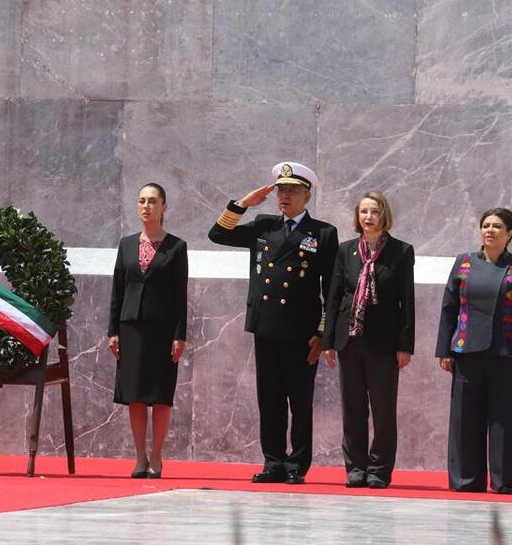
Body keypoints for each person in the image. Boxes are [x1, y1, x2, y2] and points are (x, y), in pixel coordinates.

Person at [208, 161, 339, 484]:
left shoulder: (322, 233)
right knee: (270, 399)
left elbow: (332, 290)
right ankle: (273, 462)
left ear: (306, 195)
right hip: (266, 326)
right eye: (281, 190)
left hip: (301, 331)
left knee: (300, 400)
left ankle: (297, 464)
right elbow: (218, 234)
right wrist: (243, 203)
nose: (284, 196)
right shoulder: (264, 225)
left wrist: (322, 333)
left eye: (292, 191)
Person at [435, 207, 512, 494]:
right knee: (464, 418)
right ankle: (466, 480)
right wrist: (443, 349)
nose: (490, 230)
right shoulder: (464, 263)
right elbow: (449, 309)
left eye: (497, 226)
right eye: (486, 225)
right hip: (466, 351)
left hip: (508, 354)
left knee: (506, 419)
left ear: (509, 234)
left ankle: (505, 480)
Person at [322, 191, 415, 489]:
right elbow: (334, 297)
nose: (368, 217)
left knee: (383, 410)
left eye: (374, 211)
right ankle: (356, 468)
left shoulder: (400, 251)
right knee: (353, 408)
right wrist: (327, 340)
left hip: (384, 344)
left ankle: (379, 469)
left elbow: (407, 302)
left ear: (384, 215)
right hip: (349, 340)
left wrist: (405, 344)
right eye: (363, 211)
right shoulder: (346, 250)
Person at [107, 183, 188, 479]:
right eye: (141, 201)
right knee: (136, 395)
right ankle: (140, 457)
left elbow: (181, 295)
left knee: (161, 396)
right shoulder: (127, 244)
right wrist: (112, 329)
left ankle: (157, 456)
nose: (146, 206)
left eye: (153, 201)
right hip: (131, 329)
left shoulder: (176, 247)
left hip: (164, 330)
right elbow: (118, 288)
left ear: (164, 207)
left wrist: (180, 335)